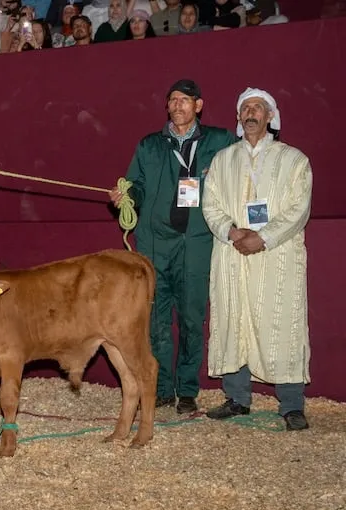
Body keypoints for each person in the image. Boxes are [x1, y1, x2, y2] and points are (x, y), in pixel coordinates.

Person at [109, 79, 238, 414]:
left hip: (197, 243)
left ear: (199, 105)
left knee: (193, 319)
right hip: (155, 244)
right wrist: (126, 196)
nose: (178, 105)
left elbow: (245, 168)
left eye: (185, 99)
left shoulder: (220, 141)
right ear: (167, 106)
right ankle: (162, 388)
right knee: (156, 319)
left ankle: (188, 390)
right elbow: (136, 185)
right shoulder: (150, 145)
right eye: (173, 100)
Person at [201, 88, 312, 431]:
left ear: (270, 116)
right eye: (245, 108)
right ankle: (237, 398)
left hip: (277, 258)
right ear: (238, 117)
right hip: (232, 254)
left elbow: (299, 208)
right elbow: (210, 204)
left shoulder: (294, 160)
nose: (251, 112)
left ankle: (291, 405)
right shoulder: (223, 160)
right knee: (234, 321)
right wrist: (233, 232)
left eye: (258, 108)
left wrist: (263, 237)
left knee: (282, 324)